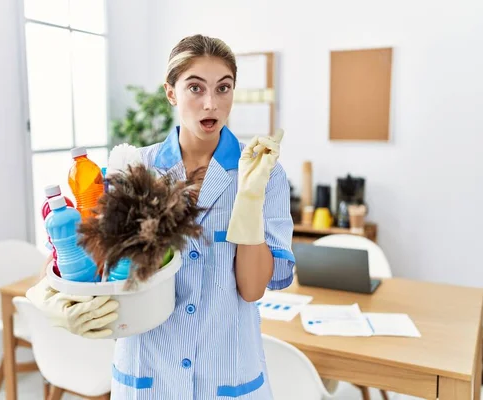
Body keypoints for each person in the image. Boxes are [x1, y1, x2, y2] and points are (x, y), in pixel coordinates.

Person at [27, 34, 296, 399]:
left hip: (228, 374)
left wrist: (248, 198)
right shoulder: (135, 167)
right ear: (171, 92)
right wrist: (50, 300)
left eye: (223, 88)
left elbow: (251, 289)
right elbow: (69, 258)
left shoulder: (264, 174)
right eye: (195, 88)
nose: (210, 103)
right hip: (148, 374)